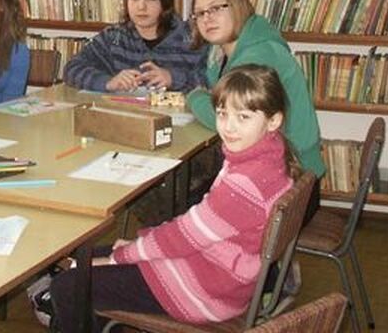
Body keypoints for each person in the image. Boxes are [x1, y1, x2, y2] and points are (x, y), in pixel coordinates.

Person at [47, 64, 299, 331]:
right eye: (222, 113)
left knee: (68, 286)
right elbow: (193, 229)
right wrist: (134, 248)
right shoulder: (269, 155)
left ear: (274, 120)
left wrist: (122, 255)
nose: (229, 127)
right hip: (218, 272)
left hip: (204, 291)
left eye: (243, 117)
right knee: (85, 261)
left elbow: (183, 237)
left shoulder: (245, 185)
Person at [186, 0, 325, 219]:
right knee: (190, 193)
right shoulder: (222, 51)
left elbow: (223, 115)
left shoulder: (258, 55)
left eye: (216, 8)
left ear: (237, 5)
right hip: (270, 174)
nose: (207, 18)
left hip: (290, 186)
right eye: (199, 13)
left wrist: (194, 97)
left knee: (185, 203)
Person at [62, 0, 208, 94]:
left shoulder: (191, 37)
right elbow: (72, 69)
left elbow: (213, 80)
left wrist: (173, 78)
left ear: (165, 3)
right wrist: (108, 82)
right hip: (125, 115)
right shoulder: (114, 38)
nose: (141, 7)